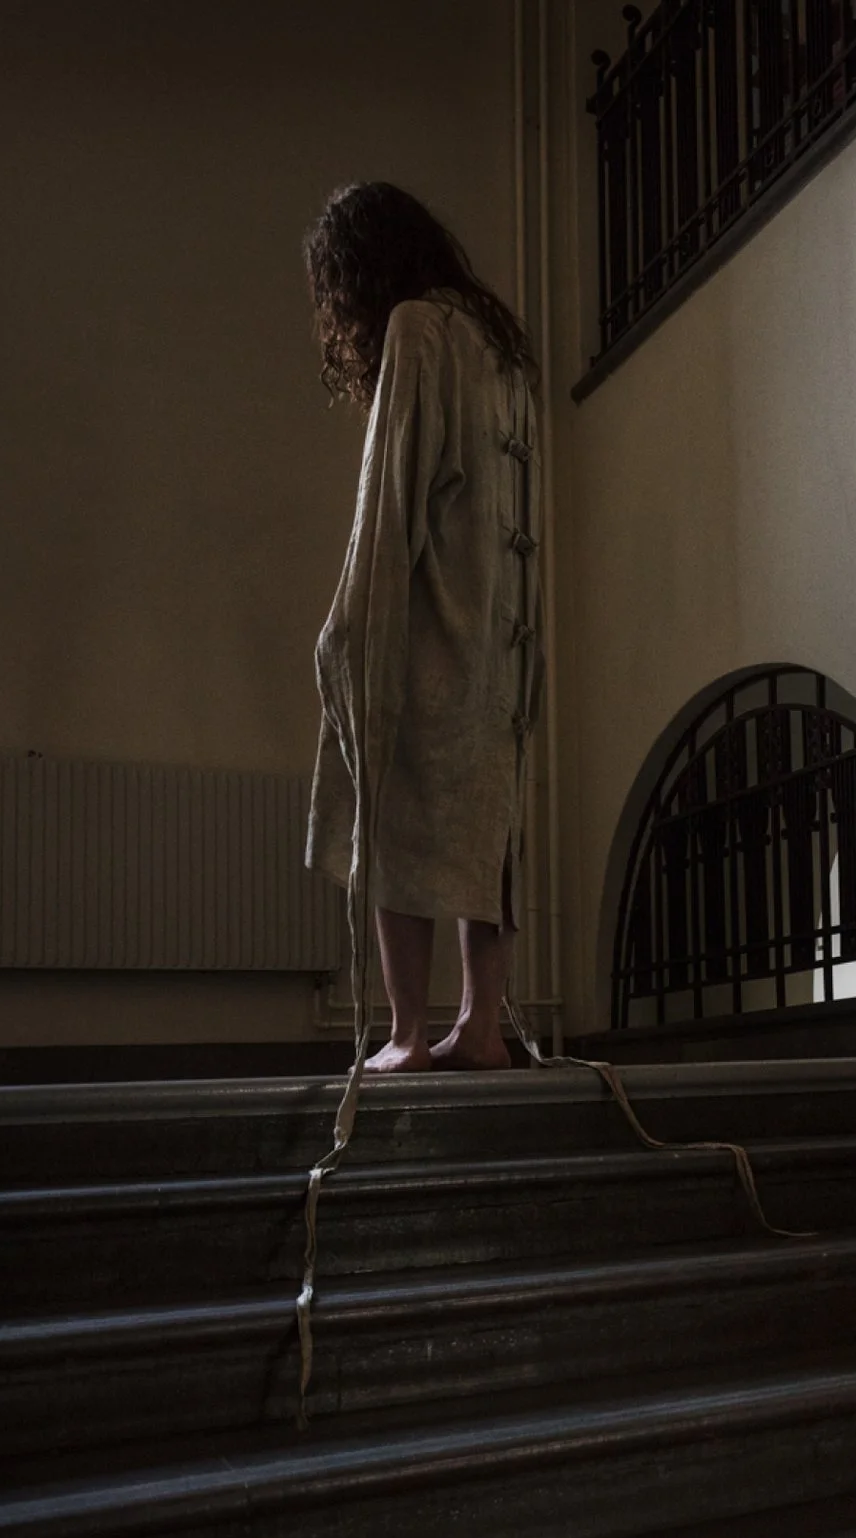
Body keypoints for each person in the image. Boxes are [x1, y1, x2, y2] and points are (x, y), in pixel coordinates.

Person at [302, 182, 539, 1072]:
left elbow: (391, 499)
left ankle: (407, 1032)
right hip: (502, 641)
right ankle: (482, 1026)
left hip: (433, 618)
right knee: (492, 825)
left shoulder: (416, 330)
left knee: (391, 802)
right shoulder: (498, 346)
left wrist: (350, 633)